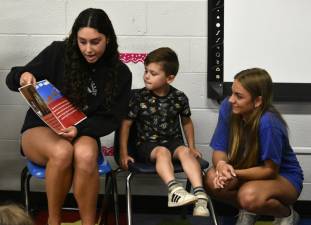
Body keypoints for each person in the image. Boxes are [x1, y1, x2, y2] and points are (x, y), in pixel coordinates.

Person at [6, 8, 132, 225]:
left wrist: (79, 130)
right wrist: (22, 76)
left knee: (84, 155)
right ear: (75, 39)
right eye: (82, 42)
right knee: (62, 152)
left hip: (84, 128)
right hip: (41, 127)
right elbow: (12, 79)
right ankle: (53, 221)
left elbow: (111, 119)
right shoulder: (58, 52)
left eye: (95, 42)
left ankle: (88, 222)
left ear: (108, 39)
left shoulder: (120, 72)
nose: (88, 49)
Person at [204, 68, 303, 225]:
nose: (231, 100)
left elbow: (269, 170)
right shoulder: (228, 107)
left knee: (247, 196)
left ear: (258, 101)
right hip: (244, 171)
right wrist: (222, 165)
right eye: (232, 93)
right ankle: (249, 209)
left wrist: (233, 173)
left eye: (239, 96)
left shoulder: (269, 123)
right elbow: (219, 149)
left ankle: (286, 214)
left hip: (282, 177)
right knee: (211, 180)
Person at [119, 47, 209, 217]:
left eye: (153, 73)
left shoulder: (179, 97)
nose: (146, 76)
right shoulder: (138, 97)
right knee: (163, 152)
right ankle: (174, 190)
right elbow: (126, 125)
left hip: (173, 141)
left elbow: (187, 122)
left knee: (185, 152)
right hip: (147, 145)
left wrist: (192, 146)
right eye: (146, 71)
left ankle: (200, 195)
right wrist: (123, 153)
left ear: (170, 78)